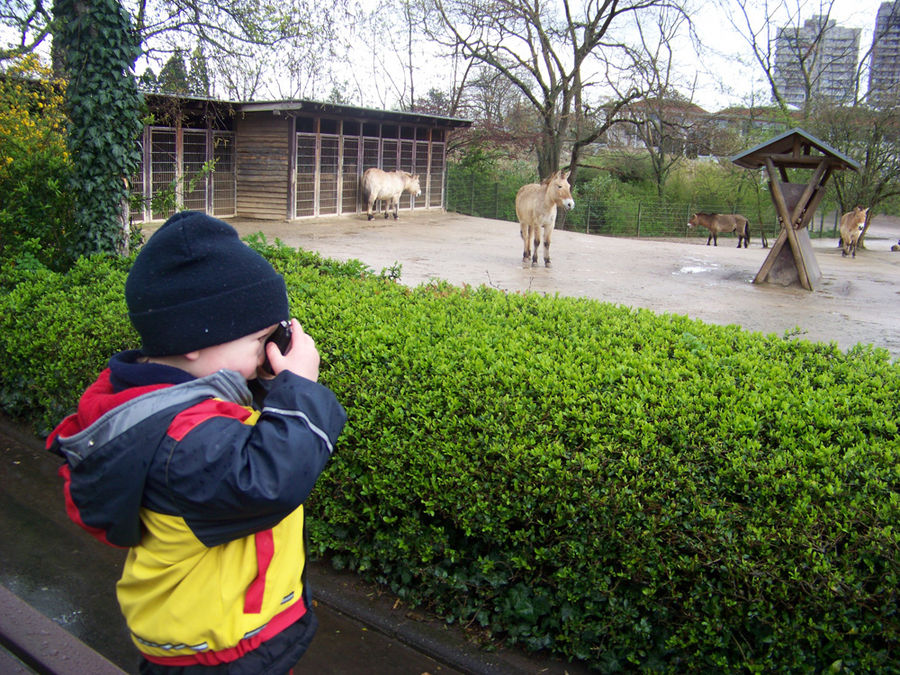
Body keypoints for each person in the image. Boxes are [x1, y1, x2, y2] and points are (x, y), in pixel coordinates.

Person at [46, 211, 347, 674]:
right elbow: (266, 481)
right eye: (259, 339)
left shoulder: (162, 403)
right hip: (219, 653)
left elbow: (236, 429)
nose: (268, 350)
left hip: (221, 633)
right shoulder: (181, 439)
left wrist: (265, 378)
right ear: (194, 338)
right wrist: (300, 390)